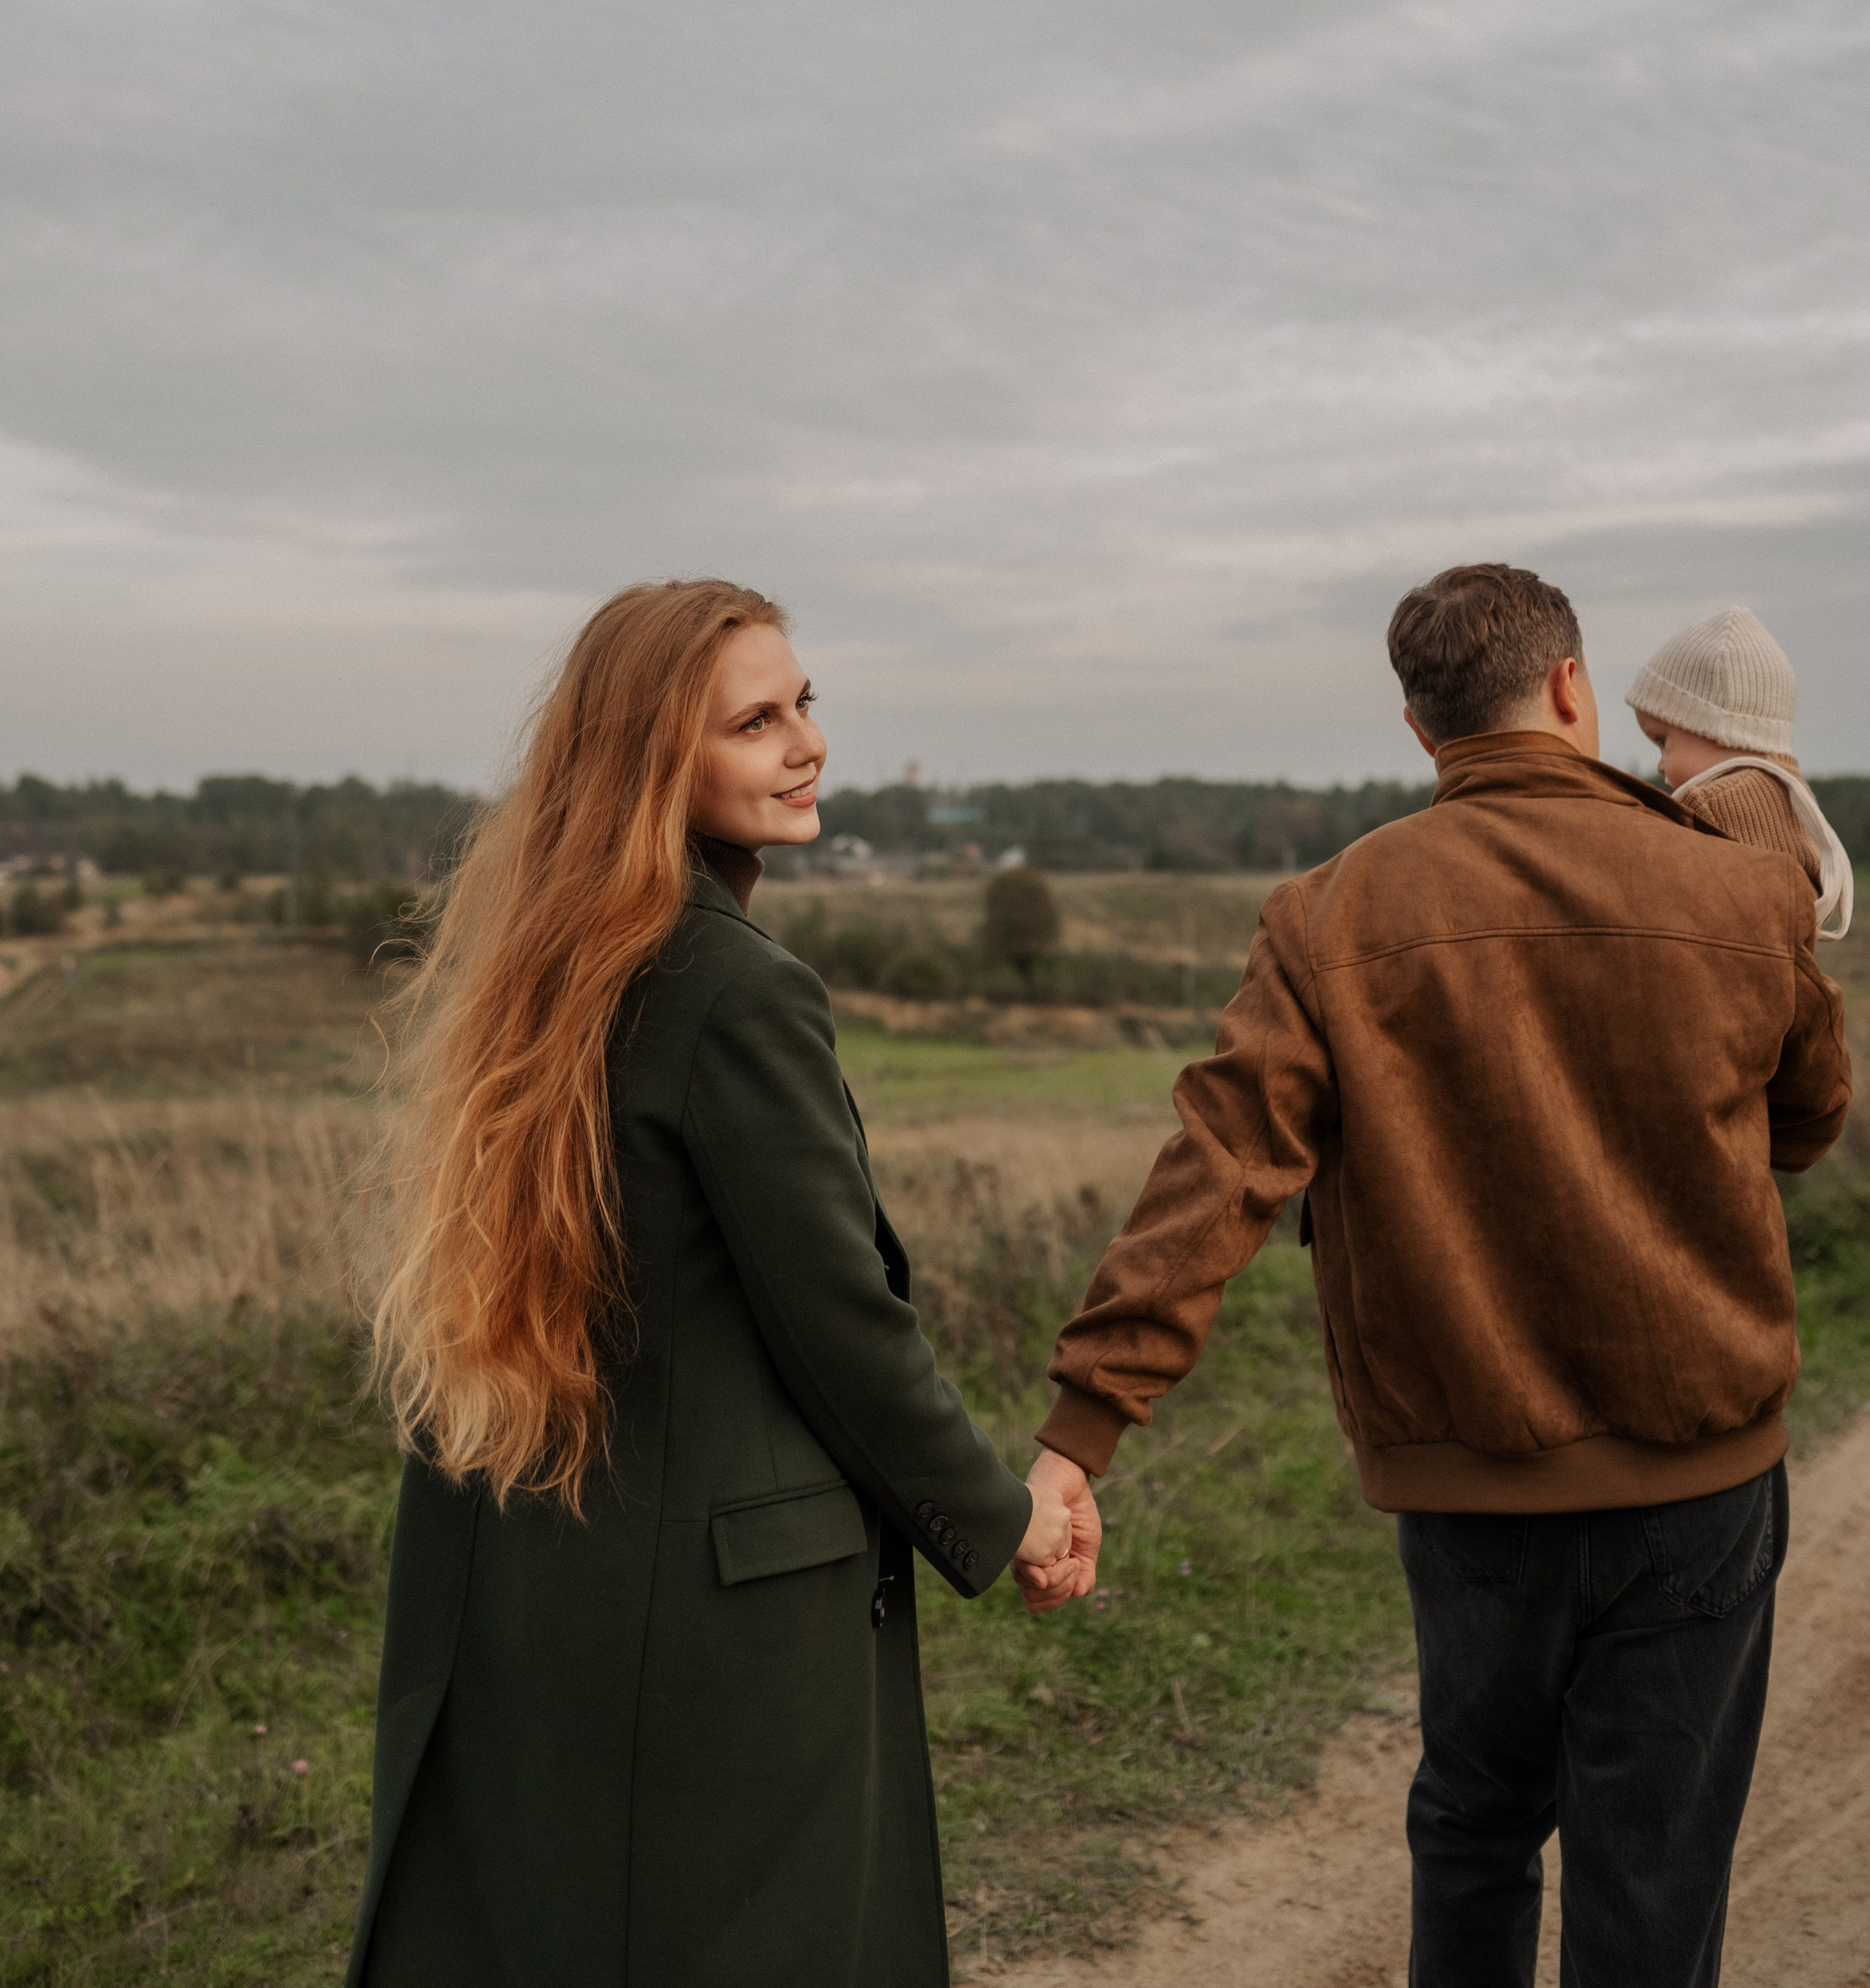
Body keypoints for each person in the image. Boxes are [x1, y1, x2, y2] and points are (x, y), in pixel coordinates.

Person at [1015, 563, 1850, 1988]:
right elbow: (1807, 1116)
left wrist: (1077, 1435)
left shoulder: (1326, 915)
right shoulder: (1740, 888)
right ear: (1574, 691)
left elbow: (1215, 1170)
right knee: (1649, 1879)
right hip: (1701, 1482)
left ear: (1420, 730)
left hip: (1467, 1482)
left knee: (1470, 1833)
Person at [346, 578, 1078, 1988]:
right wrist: (1010, 1522)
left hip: (551, 1570)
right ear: (653, 761)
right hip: (716, 1624)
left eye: (805, 706)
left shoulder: (550, 960)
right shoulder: (735, 990)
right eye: (756, 720)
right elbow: (844, 1329)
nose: (807, 743)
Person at [1627, 603, 1852, 937]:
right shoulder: (1793, 795)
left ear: (1717, 729)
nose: (1660, 765)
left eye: (1663, 740)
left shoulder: (1710, 805)